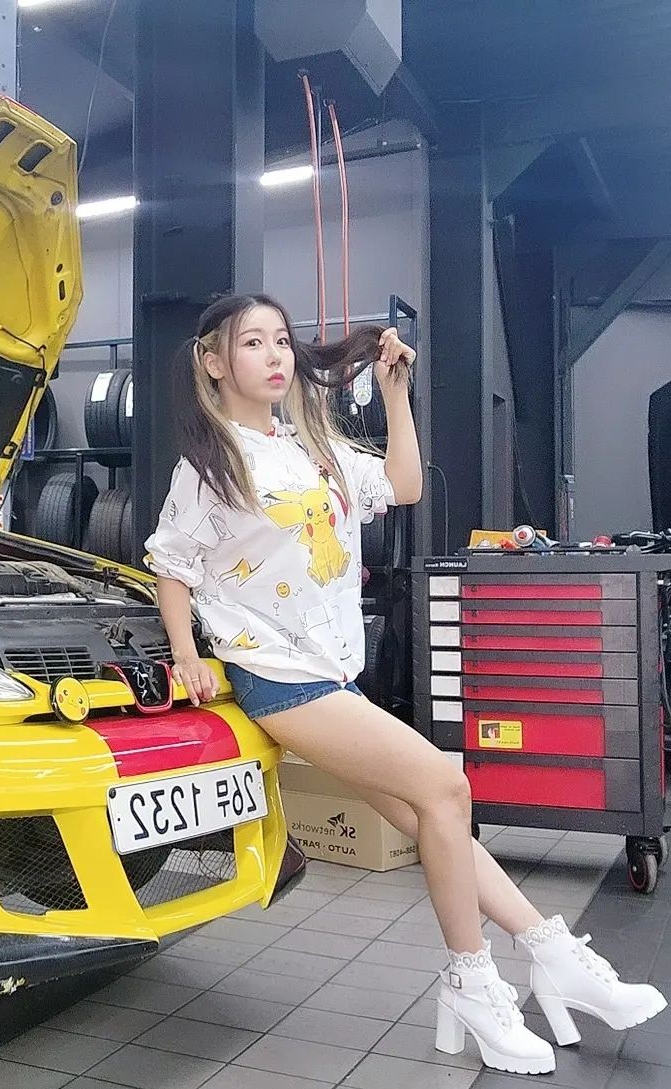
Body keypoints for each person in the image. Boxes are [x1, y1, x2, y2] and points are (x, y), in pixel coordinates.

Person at [144, 293, 666, 1077]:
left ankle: (551, 954)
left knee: (434, 821)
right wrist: (186, 653)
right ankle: (473, 980)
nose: (275, 355)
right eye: (252, 343)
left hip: (331, 671)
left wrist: (394, 392)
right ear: (214, 362)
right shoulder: (211, 464)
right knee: (446, 788)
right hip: (275, 672)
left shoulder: (311, 447)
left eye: (281, 339)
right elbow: (171, 563)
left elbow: (404, 483)